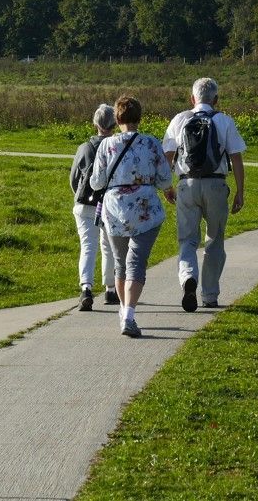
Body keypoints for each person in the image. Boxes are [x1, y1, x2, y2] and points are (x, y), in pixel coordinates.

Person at [90, 95, 175, 337]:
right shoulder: (151, 143)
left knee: (120, 263)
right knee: (136, 263)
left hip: (114, 211)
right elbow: (165, 179)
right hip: (145, 211)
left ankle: (123, 313)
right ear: (139, 117)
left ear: (117, 119)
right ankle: (129, 316)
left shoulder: (106, 145)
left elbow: (96, 183)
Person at [163, 77, 246, 312]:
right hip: (216, 185)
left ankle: (188, 277)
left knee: (187, 239)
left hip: (186, 185)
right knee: (215, 240)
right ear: (216, 99)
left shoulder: (179, 120)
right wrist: (240, 191)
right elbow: (236, 158)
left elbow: (167, 157)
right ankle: (209, 295)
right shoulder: (224, 121)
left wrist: (167, 186)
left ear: (192, 99)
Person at [69, 103, 119, 311]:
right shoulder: (117, 146)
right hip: (109, 203)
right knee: (108, 247)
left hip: (86, 203)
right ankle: (110, 289)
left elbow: (74, 179)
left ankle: (86, 288)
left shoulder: (85, 148)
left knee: (88, 246)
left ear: (95, 124)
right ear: (114, 124)